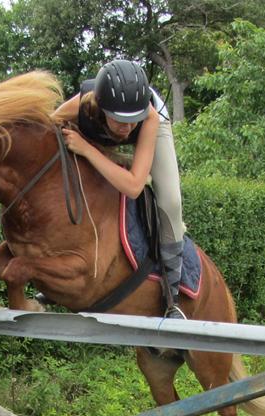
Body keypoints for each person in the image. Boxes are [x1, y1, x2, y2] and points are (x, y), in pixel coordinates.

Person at [54, 59, 187, 318]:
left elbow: (135, 186)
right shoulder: (84, 104)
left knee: (171, 201)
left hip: (155, 129)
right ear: (101, 108)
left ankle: (173, 298)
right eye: (119, 121)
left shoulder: (147, 117)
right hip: (97, 130)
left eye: (131, 121)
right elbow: (50, 123)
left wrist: (87, 149)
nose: (127, 128)